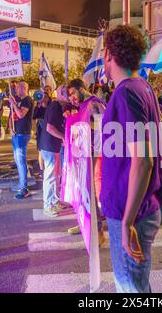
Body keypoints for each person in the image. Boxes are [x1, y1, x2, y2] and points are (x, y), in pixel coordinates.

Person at [101, 25, 162, 293]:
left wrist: (126, 222)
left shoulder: (126, 92)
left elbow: (144, 159)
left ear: (108, 54)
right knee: (136, 286)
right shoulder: (142, 87)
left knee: (130, 289)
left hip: (130, 211)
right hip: (135, 208)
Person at [65, 79, 107, 246]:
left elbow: (104, 125)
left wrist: (77, 121)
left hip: (93, 153)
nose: (71, 98)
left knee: (88, 190)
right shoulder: (84, 104)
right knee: (82, 189)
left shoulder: (95, 103)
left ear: (82, 89)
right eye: (70, 96)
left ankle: (97, 231)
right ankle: (85, 222)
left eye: (73, 93)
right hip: (83, 153)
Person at [39, 84, 65, 217]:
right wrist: (63, 137)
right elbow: (50, 127)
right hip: (49, 146)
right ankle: (48, 205)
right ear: (60, 94)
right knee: (50, 176)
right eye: (66, 93)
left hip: (51, 145)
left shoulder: (56, 105)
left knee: (55, 175)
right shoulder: (56, 106)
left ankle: (54, 200)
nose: (69, 96)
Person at [9, 81, 34, 199]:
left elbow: (20, 115)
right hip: (16, 133)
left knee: (21, 159)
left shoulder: (27, 100)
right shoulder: (17, 100)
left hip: (23, 133)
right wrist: (10, 128)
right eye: (17, 87)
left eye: (20, 87)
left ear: (25, 88)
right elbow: (11, 116)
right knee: (17, 160)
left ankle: (24, 188)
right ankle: (21, 183)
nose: (18, 89)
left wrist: (13, 103)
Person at [33, 85, 52, 178]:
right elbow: (34, 116)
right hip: (41, 129)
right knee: (40, 150)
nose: (44, 97)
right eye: (45, 91)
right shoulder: (38, 105)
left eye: (48, 91)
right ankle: (42, 170)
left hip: (49, 129)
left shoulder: (52, 104)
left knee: (49, 149)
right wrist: (38, 106)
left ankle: (48, 168)